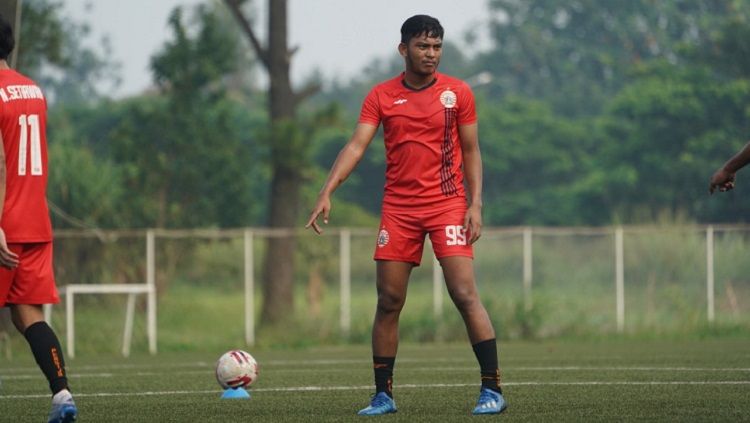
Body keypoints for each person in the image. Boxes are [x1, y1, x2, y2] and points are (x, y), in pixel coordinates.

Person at [306, 14, 506, 416]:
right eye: (422, 46)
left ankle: (492, 390)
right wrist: (328, 190)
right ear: (404, 49)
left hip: (447, 205)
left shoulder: (459, 93)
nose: (430, 54)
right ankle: (383, 395)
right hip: (398, 210)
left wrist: (476, 204)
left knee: (464, 293)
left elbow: (471, 150)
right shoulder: (380, 96)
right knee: (389, 300)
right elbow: (356, 146)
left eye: (436, 47)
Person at [0, 14, 77, 423]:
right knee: (27, 313)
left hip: (3, 221)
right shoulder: (33, 89)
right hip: (34, 221)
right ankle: (61, 394)